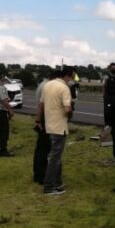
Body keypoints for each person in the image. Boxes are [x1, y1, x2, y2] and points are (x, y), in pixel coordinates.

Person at [40, 66, 73, 195]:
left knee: (55, 157)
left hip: (49, 125)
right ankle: (49, 186)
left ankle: (57, 182)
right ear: (68, 76)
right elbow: (67, 109)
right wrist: (70, 113)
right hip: (60, 127)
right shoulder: (64, 88)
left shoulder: (47, 85)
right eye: (71, 77)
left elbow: (41, 104)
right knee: (55, 158)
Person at [32, 74, 50, 184]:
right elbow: (41, 105)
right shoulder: (47, 87)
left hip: (42, 119)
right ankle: (41, 175)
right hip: (46, 120)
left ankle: (38, 174)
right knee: (44, 150)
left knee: (40, 149)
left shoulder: (42, 85)